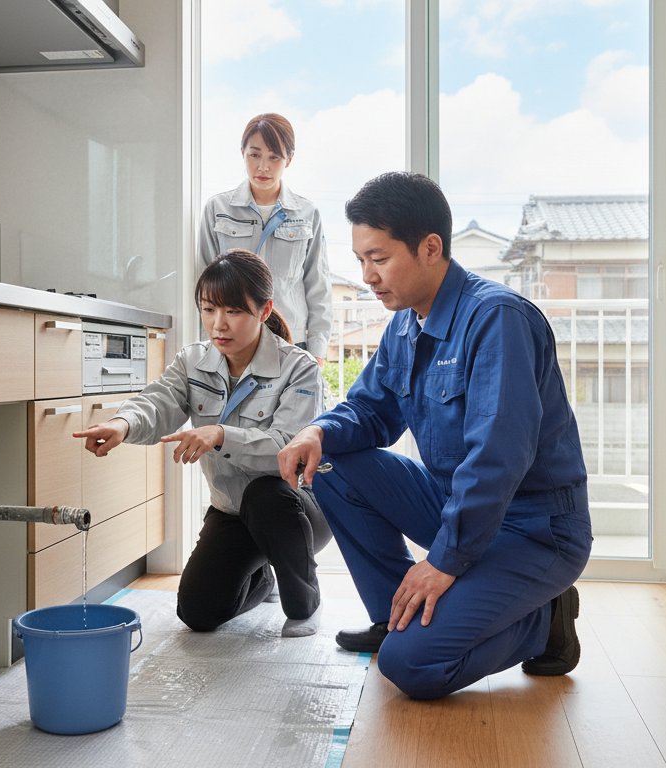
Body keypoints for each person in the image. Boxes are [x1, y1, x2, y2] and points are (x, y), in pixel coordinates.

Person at [277, 172, 593, 700]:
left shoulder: (497, 318)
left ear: (430, 248)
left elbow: (497, 457)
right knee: (330, 460)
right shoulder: (405, 325)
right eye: (359, 261)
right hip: (459, 507)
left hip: (536, 528)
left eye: (379, 258)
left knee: (411, 667)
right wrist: (316, 430)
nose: (367, 276)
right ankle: (394, 614)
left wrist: (442, 562)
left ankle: (545, 619)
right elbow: (367, 412)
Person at [75, 249, 332, 637]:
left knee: (267, 495)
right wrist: (122, 424)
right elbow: (158, 401)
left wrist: (220, 434)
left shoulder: (300, 369)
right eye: (209, 309)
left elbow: (285, 449)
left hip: (299, 506)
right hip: (233, 511)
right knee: (198, 612)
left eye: (233, 311)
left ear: (264, 311)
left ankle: (304, 603)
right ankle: (263, 579)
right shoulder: (193, 362)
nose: (218, 324)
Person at [199, 113, 333, 363]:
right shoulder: (217, 208)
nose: (263, 166)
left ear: (289, 159)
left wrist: (316, 350)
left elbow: (318, 286)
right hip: (232, 341)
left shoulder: (307, 213)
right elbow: (203, 283)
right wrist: (207, 346)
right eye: (255, 154)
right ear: (242, 152)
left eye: (274, 157)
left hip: (291, 341)